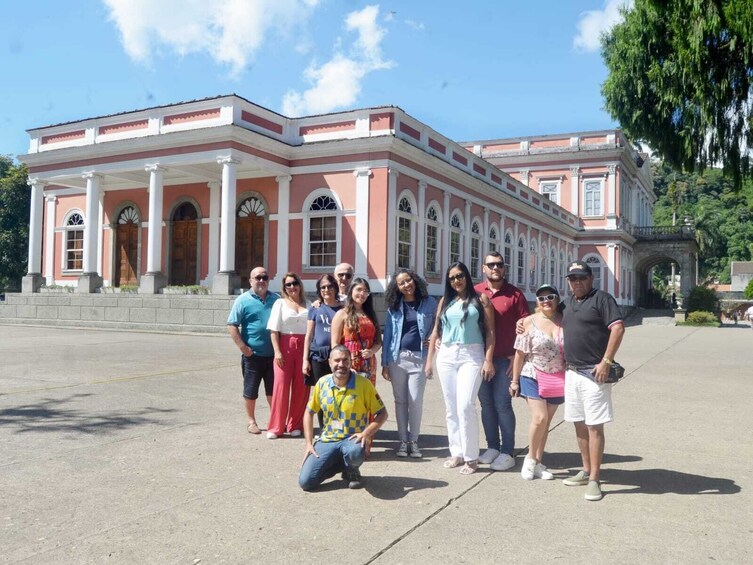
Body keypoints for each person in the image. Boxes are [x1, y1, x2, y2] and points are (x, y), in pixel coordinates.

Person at [560, 260, 625, 502]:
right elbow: (545, 316)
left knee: (594, 426)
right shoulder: (567, 304)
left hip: (593, 374)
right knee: (578, 423)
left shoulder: (602, 299)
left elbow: (617, 328)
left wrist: (606, 361)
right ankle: (586, 469)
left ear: (591, 278)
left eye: (582, 277)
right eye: (573, 278)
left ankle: (595, 478)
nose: (577, 282)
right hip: (572, 372)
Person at [425, 262, 495, 475]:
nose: (457, 281)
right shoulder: (445, 301)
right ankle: (456, 451)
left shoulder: (481, 299)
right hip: (446, 355)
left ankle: (471, 456)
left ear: (467, 276)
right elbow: (436, 331)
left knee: (466, 405)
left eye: (460, 276)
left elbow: (491, 333)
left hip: (471, 355)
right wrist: (430, 360)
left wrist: (488, 360)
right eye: (452, 277)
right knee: (451, 407)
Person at [298, 345, 388, 490]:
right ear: (329, 362)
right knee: (306, 482)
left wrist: (366, 433)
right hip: (328, 439)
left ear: (351, 362)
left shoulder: (364, 384)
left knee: (355, 452)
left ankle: (351, 470)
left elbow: (382, 413)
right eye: (337, 360)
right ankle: (339, 463)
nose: (341, 364)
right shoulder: (322, 383)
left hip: (352, 439)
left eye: (345, 360)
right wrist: (308, 443)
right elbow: (309, 412)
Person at [474, 252, 530, 471]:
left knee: (502, 404)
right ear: (483, 268)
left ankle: (508, 451)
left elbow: (526, 326)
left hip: (505, 360)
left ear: (504, 268)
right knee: (486, 405)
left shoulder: (515, 294)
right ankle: (492, 447)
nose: (495, 268)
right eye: (491, 265)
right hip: (479, 360)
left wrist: (518, 357)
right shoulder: (476, 292)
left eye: (499, 264)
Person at [511, 284, 565, 481]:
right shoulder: (528, 322)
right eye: (541, 298)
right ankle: (530, 459)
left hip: (557, 376)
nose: (546, 301)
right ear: (537, 302)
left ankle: (539, 462)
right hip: (532, 373)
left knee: (546, 423)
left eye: (550, 297)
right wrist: (515, 381)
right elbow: (519, 354)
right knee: (539, 418)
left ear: (557, 299)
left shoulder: (565, 321)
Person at [381, 269, 438, 458]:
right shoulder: (394, 306)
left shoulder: (429, 303)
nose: (406, 285)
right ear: (396, 287)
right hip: (397, 358)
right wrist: (384, 363)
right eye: (401, 283)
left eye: (408, 280)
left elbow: (440, 326)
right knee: (400, 401)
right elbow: (388, 334)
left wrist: (433, 338)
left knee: (415, 401)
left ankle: (414, 441)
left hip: (418, 358)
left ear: (415, 280)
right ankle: (403, 442)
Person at [227, 266, 279, 435]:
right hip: (253, 356)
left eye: (265, 277)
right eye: (258, 278)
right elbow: (232, 325)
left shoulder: (276, 299)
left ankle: (275, 420)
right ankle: (251, 421)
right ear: (250, 281)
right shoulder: (242, 300)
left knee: (273, 390)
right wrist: (243, 348)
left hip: (273, 356)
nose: (262, 281)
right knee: (251, 390)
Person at [266, 272, 309, 439]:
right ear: (284, 288)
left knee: (301, 388)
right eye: (288, 285)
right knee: (281, 387)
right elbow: (273, 330)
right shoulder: (280, 303)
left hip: (304, 348)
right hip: (285, 347)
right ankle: (276, 426)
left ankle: (295, 425)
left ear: (300, 284)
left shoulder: (310, 304)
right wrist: (277, 351)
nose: (292, 287)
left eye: (295, 283)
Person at [331, 277, 382, 385]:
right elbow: (335, 344)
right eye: (359, 289)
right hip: (348, 362)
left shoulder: (371, 314)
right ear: (351, 291)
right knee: (349, 396)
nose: (362, 294)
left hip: (368, 363)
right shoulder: (342, 314)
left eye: (365, 291)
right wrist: (343, 363)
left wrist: (371, 351)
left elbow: (378, 341)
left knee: (366, 397)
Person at [303, 274, 343, 387]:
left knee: (338, 389)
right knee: (320, 391)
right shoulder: (315, 309)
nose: (327, 290)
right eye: (323, 287)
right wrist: (305, 360)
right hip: (318, 357)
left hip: (338, 357)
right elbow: (309, 336)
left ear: (335, 288)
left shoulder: (344, 309)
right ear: (319, 290)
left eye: (330, 286)